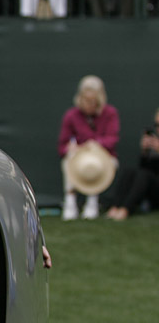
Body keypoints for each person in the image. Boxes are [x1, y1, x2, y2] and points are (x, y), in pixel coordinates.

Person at [58, 75, 120, 220]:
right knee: (69, 161)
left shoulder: (110, 113)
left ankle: (92, 203)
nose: (89, 104)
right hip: (78, 158)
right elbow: (62, 146)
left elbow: (112, 139)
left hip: (103, 158)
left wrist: (96, 144)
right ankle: (70, 203)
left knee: (98, 163)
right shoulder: (71, 115)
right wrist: (72, 148)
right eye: (86, 100)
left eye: (93, 101)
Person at [106, 108, 159, 220]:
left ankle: (126, 209)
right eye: (156, 124)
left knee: (145, 175)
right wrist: (145, 152)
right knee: (130, 172)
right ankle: (115, 207)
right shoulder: (155, 141)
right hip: (151, 188)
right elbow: (144, 169)